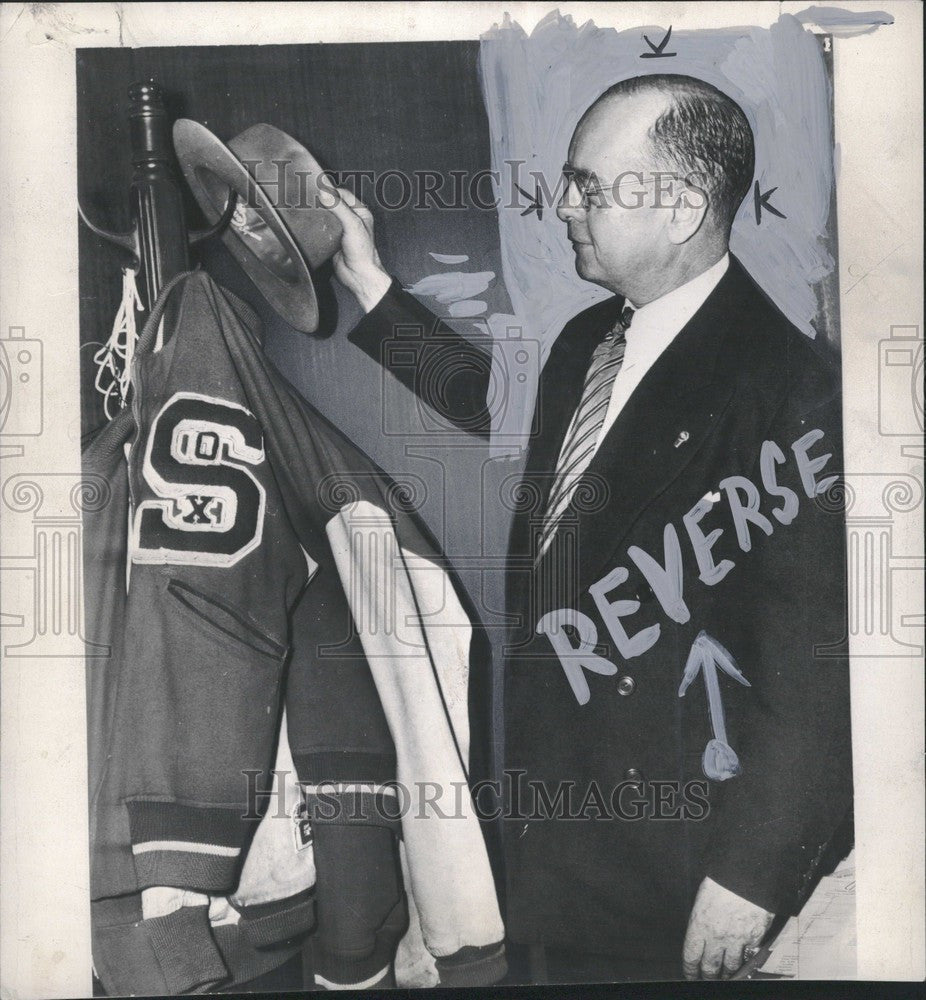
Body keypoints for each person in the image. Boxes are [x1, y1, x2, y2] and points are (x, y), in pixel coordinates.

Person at [323, 74, 852, 983]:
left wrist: (750, 881)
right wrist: (371, 286)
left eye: (589, 186)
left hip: (684, 876)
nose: (563, 205)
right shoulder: (586, 342)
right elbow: (490, 400)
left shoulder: (801, 390)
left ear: (682, 208)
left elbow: (819, 671)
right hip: (560, 849)